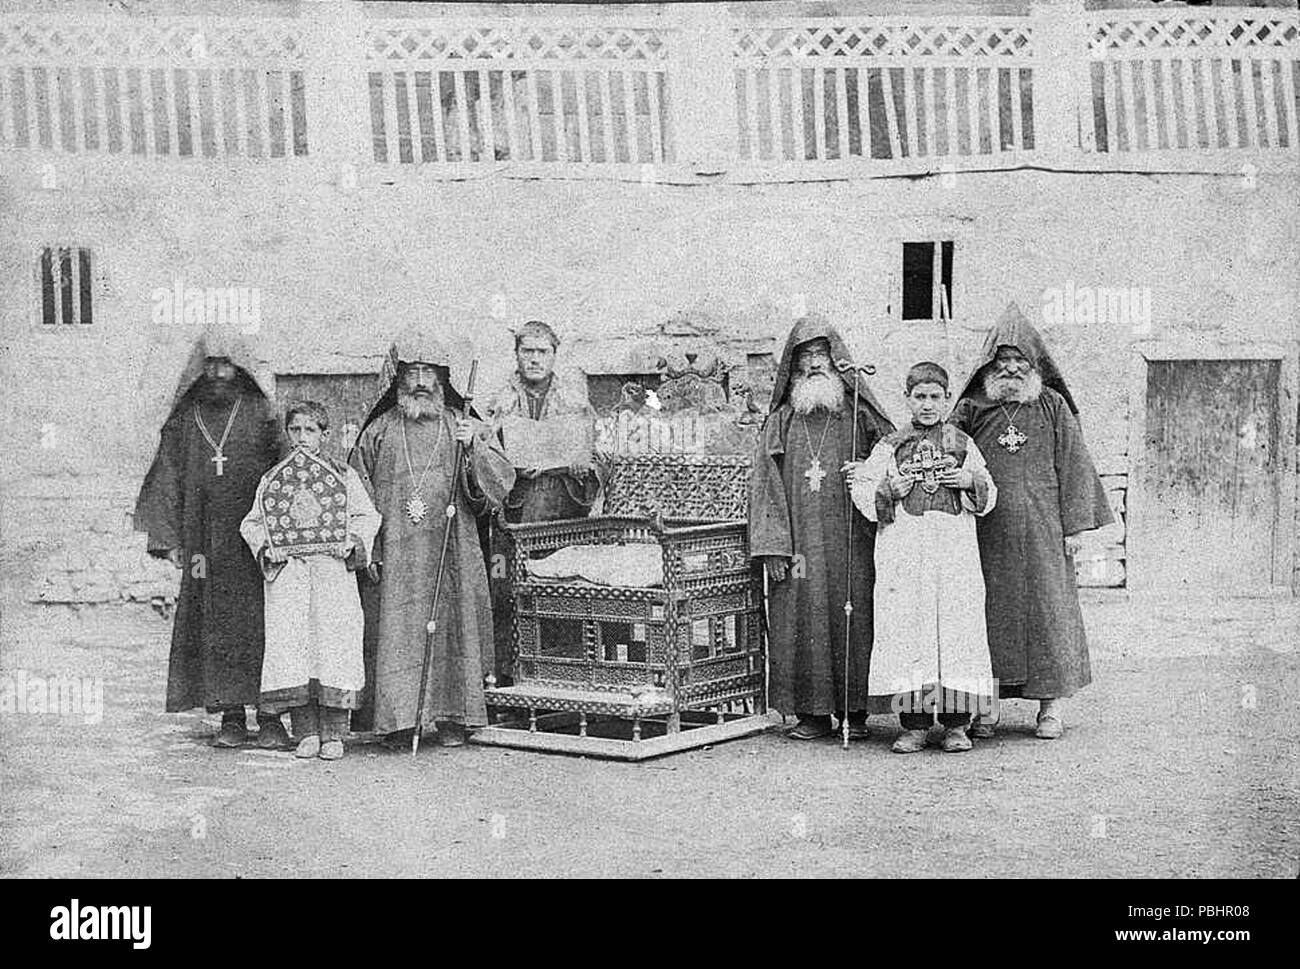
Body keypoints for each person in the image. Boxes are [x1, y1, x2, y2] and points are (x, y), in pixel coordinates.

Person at [950, 303, 1114, 740]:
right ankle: (985, 708)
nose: (1011, 370)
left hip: (1044, 530)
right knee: (986, 614)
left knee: (1048, 614)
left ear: (1034, 365)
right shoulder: (971, 407)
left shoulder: (1052, 405)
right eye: (1003, 363)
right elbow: (946, 455)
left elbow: (1074, 464)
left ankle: (1051, 708)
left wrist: (1076, 526)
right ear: (989, 366)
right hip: (987, 532)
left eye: (1019, 362)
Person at [349, 331, 515, 749]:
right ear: (398, 379)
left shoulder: (461, 425)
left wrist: (472, 448)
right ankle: (398, 721)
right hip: (396, 552)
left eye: (429, 372)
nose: (420, 381)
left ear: (443, 379)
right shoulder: (378, 432)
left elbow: (494, 492)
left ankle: (454, 717)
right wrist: (370, 545)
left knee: (453, 626)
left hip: (452, 548)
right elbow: (356, 492)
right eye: (412, 372)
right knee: (397, 632)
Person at [133, 335, 286, 749]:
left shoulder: (261, 413)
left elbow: (286, 471)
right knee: (212, 622)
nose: (218, 373)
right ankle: (232, 717)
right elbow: (166, 475)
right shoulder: (186, 419)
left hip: (256, 542)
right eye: (212, 364)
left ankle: (271, 717)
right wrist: (170, 539)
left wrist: (288, 532)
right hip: (202, 548)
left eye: (227, 365)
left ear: (241, 369)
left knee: (264, 623)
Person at [748, 316, 894, 740]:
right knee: (801, 615)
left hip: (854, 542)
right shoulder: (781, 420)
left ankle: (857, 711)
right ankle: (811, 714)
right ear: (793, 367)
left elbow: (892, 458)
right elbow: (765, 485)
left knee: (857, 614)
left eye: (821, 355)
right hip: (799, 550)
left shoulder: (860, 415)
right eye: (805, 357)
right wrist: (773, 547)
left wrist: (868, 471)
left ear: (837, 360)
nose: (814, 364)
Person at [847, 362, 997, 753]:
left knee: (957, 631)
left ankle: (957, 725)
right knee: (907, 632)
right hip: (905, 553)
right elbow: (863, 491)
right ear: (907, 399)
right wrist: (888, 488)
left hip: (953, 554)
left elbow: (989, 491)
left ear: (947, 399)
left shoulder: (964, 444)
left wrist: (969, 481)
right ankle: (913, 724)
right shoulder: (890, 445)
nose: (928, 405)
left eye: (935, 397)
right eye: (920, 397)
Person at [240, 402, 382, 761]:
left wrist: (352, 540)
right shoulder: (274, 479)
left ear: (324, 435)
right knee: (295, 650)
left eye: (311, 431)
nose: (302, 438)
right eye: (296, 430)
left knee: (334, 649)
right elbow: (252, 523)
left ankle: (334, 734)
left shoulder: (343, 474)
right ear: (288, 433)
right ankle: (306, 732)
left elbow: (368, 516)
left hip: (332, 573)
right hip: (292, 575)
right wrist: (267, 549)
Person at [483, 320, 604, 684]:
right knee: (502, 586)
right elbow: (484, 456)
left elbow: (603, 456)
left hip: (561, 519)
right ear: (517, 354)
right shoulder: (498, 405)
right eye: (527, 351)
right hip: (511, 521)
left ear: (554, 355)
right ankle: (507, 678)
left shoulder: (576, 404)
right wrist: (511, 467)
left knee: (562, 590)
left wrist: (583, 466)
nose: (534, 359)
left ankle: (564, 675)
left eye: (542, 352)